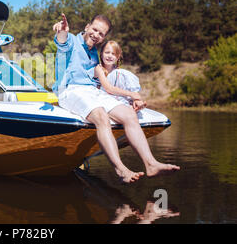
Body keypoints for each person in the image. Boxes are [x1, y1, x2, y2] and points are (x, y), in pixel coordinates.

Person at [53, 13, 179, 183]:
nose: (96, 35)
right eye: (95, 29)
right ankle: (120, 170)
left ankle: (151, 164)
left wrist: (132, 98)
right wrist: (62, 32)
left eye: (101, 34)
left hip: (93, 92)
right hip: (70, 91)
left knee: (129, 115)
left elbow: (107, 82)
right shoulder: (72, 42)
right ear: (87, 26)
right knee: (101, 116)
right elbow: (62, 43)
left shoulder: (94, 54)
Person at [94, 40, 147, 112]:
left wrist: (135, 97)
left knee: (125, 74)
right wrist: (131, 94)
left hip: (116, 97)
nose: (110, 56)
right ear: (101, 54)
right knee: (122, 73)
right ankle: (131, 105)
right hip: (102, 97)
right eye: (107, 52)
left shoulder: (118, 72)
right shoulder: (98, 68)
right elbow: (108, 88)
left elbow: (126, 86)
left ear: (118, 57)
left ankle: (136, 102)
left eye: (113, 54)